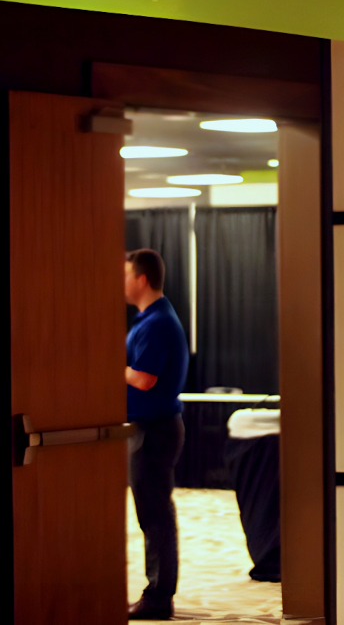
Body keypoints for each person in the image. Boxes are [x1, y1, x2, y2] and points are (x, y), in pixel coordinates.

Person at [124, 249, 189, 621]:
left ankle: (159, 596)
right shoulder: (150, 319)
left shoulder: (157, 323)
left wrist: (109, 367)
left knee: (155, 514)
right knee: (153, 511)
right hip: (154, 427)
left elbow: (145, 378)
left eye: (126, 274)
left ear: (142, 279)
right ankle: (158, 592)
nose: (122, 282)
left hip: (155, 430)